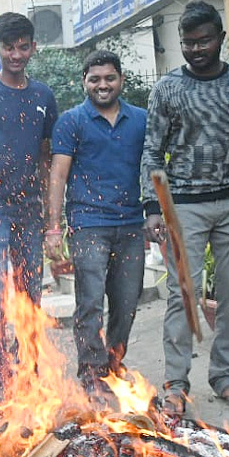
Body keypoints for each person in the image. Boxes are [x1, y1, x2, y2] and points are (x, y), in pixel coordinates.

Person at [143, 1, 229, 415]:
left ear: (221, 38)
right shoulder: (167, 88)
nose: (196, 50)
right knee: (182, 295)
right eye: (188, 43)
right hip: (183, 207)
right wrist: (153, 207)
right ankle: (175, 382)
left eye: (204, 41)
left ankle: (223, 375)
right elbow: (152, 152)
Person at [0, 12, 58, 402]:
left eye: (23, 47)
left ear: (33, 48)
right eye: (9, 47)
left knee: (29, 297)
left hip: (30, 211)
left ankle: (31, 377)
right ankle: (1, 385)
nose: (16, 54)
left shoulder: (43, 97)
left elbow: (46, 159)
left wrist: (53, 220)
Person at [46, 50, 148, 396]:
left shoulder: (141, 120)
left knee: (127, 301)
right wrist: (54, 228)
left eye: (109, 78)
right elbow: (58, 175)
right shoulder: (71, 121)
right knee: (90, 300)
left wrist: (155, 215)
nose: (102, 85)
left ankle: (115, 363)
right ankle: (91, 371)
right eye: (95, 79)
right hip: (88, 224)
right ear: (84, 82)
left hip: (132, 224)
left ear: (120, 79)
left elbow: (151, 169)